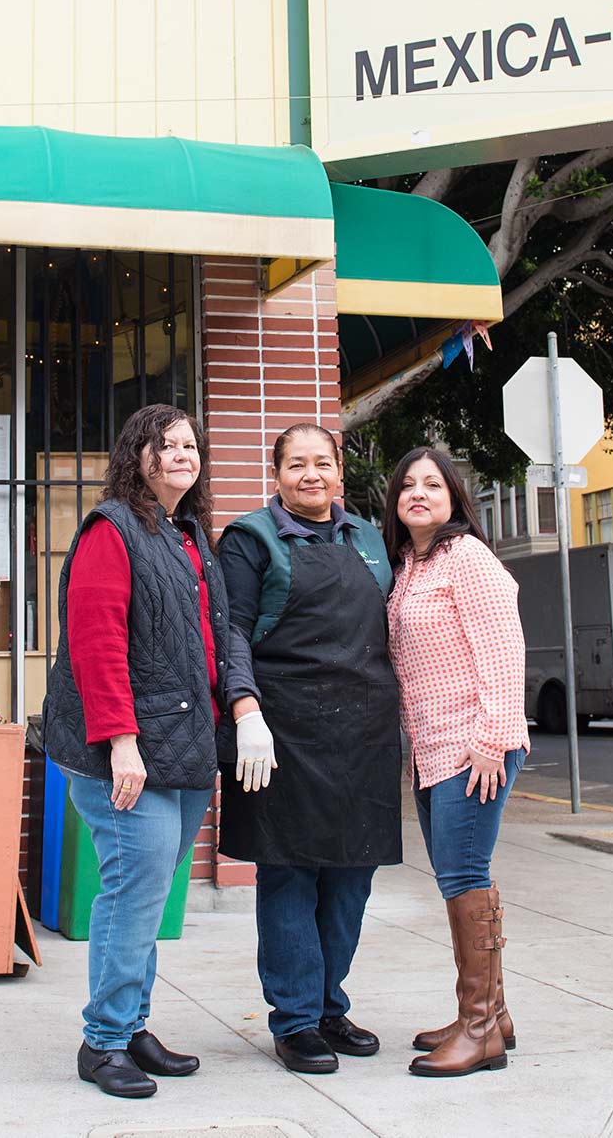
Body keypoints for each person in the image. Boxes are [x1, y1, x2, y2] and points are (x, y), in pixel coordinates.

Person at [40, 404, 274, 1100]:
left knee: (148, 895)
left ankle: (132, 1024)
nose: (181, 454)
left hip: (187, 745)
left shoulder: (189, 536)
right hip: (130, 749)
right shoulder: (111, 530)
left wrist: (239, 711)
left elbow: (219, 635)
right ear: (135, 454)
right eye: (164, 444)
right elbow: (97, 642)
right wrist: (120, 741)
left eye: (189, 444)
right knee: (132, 892)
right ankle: (104, 1040)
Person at [218, 423, 402, 1075]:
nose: (310, 474)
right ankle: (295, 1019)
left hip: (365, 738)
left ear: (338, 473)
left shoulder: (370, 541)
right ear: (277, 476)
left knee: (352, 875)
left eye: (321, 463)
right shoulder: (250, 539)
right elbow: (232, 631)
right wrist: (247, 709)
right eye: (296, 464)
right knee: (291, 874)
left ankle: (329, 1004)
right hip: (284, 736)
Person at [383, 446, 527, 1079]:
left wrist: (492, 739)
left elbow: (504, 648)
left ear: (453, 498)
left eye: (432, 484)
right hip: (432, 746)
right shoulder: (411, 565)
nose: (418, 492)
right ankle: (491, 1013)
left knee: (463, 871)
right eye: (407, 485)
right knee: (460, 872)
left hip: (474, 745)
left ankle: (478, 1032)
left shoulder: (467, 558)